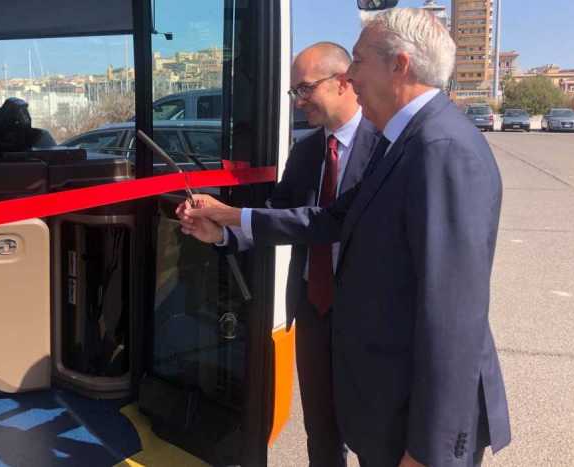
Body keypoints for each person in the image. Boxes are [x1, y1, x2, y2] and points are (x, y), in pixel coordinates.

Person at [178, 8, 511, 467]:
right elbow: (324, 218)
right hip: (354, 348)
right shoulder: (401, 143)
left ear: (400, 65)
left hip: (410, 405)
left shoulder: (440, 148)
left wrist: (429, 449)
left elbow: (454, 315)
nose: (351, 75)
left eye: (358, 61)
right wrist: (224, 227)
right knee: (325, 432)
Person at [192, 41, 379, 466]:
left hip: (367, 318)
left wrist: (229, 213)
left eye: (304, 89)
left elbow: (326, 221)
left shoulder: (383, 146)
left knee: (372, 433)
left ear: (342, 82)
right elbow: (278, 215)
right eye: (295, 91)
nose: (298, 101)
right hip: (313, 311)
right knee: (321, 432)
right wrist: (220, 234)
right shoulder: (308, 150)